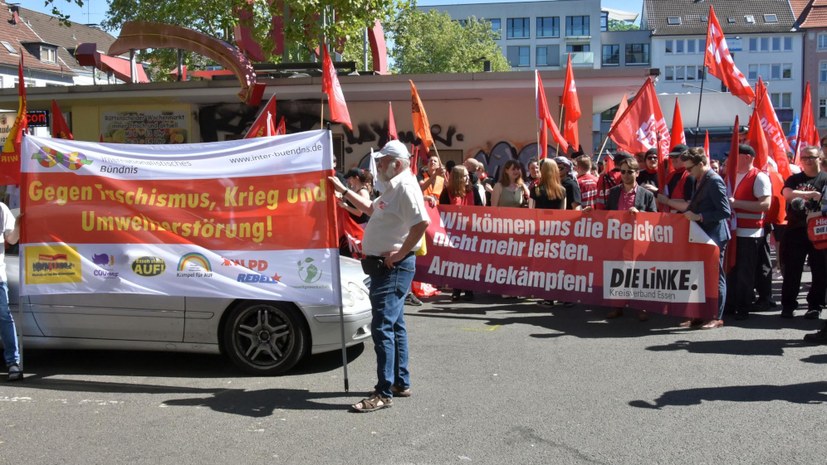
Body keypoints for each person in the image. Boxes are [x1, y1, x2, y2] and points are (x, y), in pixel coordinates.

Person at [329, 140, 430, 412]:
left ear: (397, 163)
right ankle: (399, 382)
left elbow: (422, 223)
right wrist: (343, 191)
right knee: (394, 325)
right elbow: (372, 209)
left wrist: (398, 255)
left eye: (384, 160)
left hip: (392, 266)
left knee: (383, 326)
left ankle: (384, 392)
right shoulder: (394, 186)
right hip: (387, 266)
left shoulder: (405, 187)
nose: (379, 164)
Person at [598, 157, 657, 321]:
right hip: (618, 239)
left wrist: (641, 214)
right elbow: (608, 213)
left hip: (639, 240)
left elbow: (654, 218)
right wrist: (592, 213)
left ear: (637, 173)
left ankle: (642, 306)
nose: (625, 175)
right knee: (618, 271)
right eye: (622, 171)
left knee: (640, 273)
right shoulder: (614, 192)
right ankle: (617, 306)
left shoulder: (646, 195)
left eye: (629, 171)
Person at [680, 147, 731, 329]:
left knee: (715, 276)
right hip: (701, 234)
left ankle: (716, 316)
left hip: (714, 235)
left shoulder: (715, 181)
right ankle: (700, 315)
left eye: (689, 168)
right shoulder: (700, 179)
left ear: (701, 164)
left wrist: (699, 216)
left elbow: (725, 211)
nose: (687, 172)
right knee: (699, 276)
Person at [724, 144, 771, 321]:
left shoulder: (759, 177)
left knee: (745, 271)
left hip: (750, 233)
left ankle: (743, 307)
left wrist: (737, 204)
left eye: (734, 156)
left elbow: (765, 205)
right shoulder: (730, 177)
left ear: (746, 157)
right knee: (731, 270)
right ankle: (730, 304)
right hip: (732, 232)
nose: (729, 160)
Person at [780, 146, 827, 319]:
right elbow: (787, 194)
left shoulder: (825, 179)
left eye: (812, 157)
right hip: (796, 230)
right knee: (792, 269)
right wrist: (813, 194)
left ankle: (815, 306)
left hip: (819, 232)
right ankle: (788, 305)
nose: (808, 160)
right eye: (805, 157)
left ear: (819, 158)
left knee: (820, 270)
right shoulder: (794, 179)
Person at [440, 165, 482, 301]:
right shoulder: (447, 192)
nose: (468, 178)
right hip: (454, 232)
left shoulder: (473, 190)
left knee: (470, 262)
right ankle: (456, 289)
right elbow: (442, 212)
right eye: (464, 176)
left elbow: (481, 209)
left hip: (471, 232)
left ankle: (469, 290)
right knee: (456, 262)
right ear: (458, 178)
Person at [1, 202, 21, 381]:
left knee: (4, 317)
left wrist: (19, 226)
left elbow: (12, 239)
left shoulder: (1, 209)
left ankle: (13, 362)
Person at [657, 144, 695, 213]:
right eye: (671, 156)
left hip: (684, 219)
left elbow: (689, 205)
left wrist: (667, 201)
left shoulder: (690, 176)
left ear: (686, 157)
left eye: (676, 156)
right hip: (670, 218)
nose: (673, 159)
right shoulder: (670, 175)